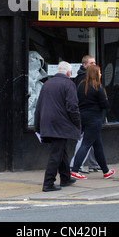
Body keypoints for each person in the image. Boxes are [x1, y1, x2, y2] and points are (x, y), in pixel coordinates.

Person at [34, 61, 81, 192]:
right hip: (61, 124)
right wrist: (77, 123)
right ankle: (48, 183)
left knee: (61, 150)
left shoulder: (47, 84)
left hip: (47, 123)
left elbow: (39, 105)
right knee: (56, 154)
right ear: (68, 73)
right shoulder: (69, 84)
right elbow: (73, 107)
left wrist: (37, 125)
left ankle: (66, 177)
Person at [71, 65, 115, 180]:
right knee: (86, 144)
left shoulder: (81, 86)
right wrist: (106, 100)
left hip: (83, 118)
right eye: (99, 72)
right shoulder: (98, 87)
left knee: (98, 145)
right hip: (94, 120)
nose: (101, 74)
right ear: (95, 74)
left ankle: (106, 171)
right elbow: (105, 105)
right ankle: (75, 170)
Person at [71, 54, 99, 172]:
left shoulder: (82, 77)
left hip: (86, 113)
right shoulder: (84, 78)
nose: (94, 65)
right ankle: (77, 164)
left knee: (93, 139)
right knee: (85, 140)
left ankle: (94, 163)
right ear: (84, 65)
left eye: (94, 63)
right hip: (87, 114)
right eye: (91, 63)